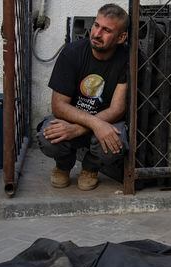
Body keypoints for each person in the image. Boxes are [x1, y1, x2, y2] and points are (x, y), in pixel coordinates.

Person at [36, 3, 129, 191]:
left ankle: (90, 167)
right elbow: (59, 106)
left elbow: (117, 109)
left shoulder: (127, 58)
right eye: (96, 25)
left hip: (104, 124)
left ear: (121, 37)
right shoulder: (72, 53)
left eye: (106, 30)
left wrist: (78, 129)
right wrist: (93, 124)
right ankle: (63, 165)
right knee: (47, 135)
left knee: (118, 142)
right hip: (78, 120)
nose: (96, 34)